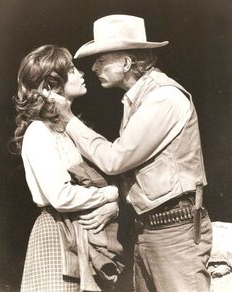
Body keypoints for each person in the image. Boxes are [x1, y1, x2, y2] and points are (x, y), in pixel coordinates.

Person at [51, 15, 213, 292]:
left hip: (173, 233)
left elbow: (115, 159)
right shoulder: (140, 98)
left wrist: (69, 120)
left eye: (102, 59)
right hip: (151, 230)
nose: (94, 67)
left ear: (127, 62)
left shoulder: (163, 97)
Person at [12, 44, 124, 292]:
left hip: (81, 232)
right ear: (51, 86)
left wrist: (111, 203)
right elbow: (61, 196)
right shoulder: (39, 132)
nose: (82, 73)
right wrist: (107, 195)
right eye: (72, 70)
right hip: (57, 235)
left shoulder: (68, 131)